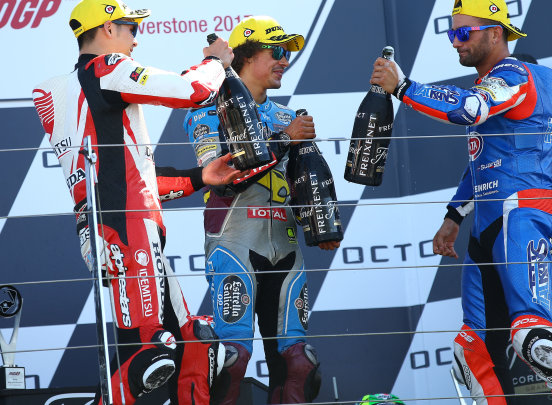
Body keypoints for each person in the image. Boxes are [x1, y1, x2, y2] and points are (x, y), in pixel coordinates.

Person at [370, 0, 552, 404]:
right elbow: (484, 162)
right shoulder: (494, 84)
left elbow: (468, 109)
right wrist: (454, 216)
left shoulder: (519, 74)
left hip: (522, 214)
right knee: (469, 349)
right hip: (487, 223)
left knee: (534, 338)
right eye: (451, 33)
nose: (455, 42)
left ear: (496, 32)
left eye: (463, 33)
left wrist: (404, 87)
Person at [31, 0, 243, 404]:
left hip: (110, 224)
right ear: (107, 29)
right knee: (151, 352)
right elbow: (191, 91)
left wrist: (202, 177)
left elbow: (132, 176)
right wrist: (217, 62)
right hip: (127, 226)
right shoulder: (105, 68)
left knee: (196, 340)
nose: (136, 38)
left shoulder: (69, 92)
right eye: (130, 28)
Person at [183, 16, 338, 405]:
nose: (286, 60)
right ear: (246, 57)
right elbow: (224, 176)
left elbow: (310, 185)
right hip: (235, 245)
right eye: (278, 52)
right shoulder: (208, 111)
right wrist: (286, 140)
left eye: (289, 52)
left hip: (287, 248)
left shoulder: (288, 116)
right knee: (231, 361)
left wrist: (321, 223)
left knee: (300, 364)